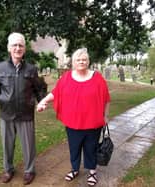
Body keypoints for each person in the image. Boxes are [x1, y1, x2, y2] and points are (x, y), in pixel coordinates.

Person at [37, 48, 110, 186]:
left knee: (91, 148)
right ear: (73, 62)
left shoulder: (97, 78)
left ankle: (92, 172)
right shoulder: (66, 77)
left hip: (93, 122)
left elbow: (106, 98)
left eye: (84, 59)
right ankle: (75, 169)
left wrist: (105, 116)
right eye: (78, 59)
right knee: (74, 147)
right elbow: (56, 92)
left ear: (88, 61)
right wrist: (44, 101)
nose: (81, 62)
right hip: (73, 123)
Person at [0, 32, 46, 184]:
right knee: (7, 145)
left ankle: (29, 170)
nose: (17, 48)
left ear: (24, 49)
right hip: (6, 114)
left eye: (20, 45)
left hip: (26, 114)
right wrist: (1, 100)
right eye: (14, 45)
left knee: (28, 146)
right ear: (9, 48)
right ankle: (8, 170)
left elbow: (40, 88)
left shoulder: (31, 69)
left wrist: (41, 102)